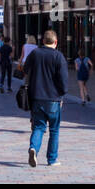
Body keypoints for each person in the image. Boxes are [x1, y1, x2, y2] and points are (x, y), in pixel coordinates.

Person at [24, 29, 69, 167]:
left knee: (38, 127)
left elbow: (26, 69)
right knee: (54, 130)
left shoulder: (35, 53)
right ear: (56, 42)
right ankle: (52, 159)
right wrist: (62, 93)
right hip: (53, 98)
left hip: (36, 96)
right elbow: (63, 79)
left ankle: (33, 148)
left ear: (43, 41)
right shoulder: (58, 56)